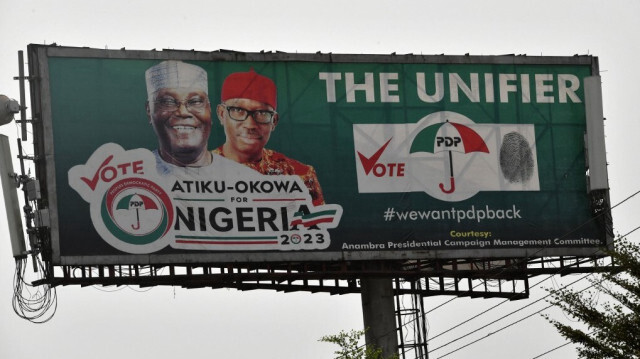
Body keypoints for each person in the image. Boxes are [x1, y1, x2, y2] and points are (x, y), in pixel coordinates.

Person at [213, 69, 325, 205]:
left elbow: (315, 224)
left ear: (274, 121)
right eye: (238, 110)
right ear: (221, 114)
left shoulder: (299, 174)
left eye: (261, 113)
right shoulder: (196, 171)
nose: (250, 125)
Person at [145, 61, 253, 177]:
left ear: (210, 110)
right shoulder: (136, 176)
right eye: (168, 102)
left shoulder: (244, 179)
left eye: (195, 101)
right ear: (149, 111)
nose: (183, 112)